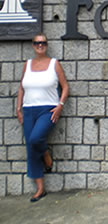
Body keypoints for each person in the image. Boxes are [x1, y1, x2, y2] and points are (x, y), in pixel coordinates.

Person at [16, 33, 69, 202]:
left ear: (47, 45)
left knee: (35, 139)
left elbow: (65, 87)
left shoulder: (54, 64)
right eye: (37, 43)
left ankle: (45, 153)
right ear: (33, 45)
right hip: (28, 109)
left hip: (48, 109)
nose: (40, 45)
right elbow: (21, 88)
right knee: (31, 147)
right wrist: (18, 108)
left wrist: (60, 105)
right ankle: (40, 188)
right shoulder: (28, 64)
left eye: (43, 43)